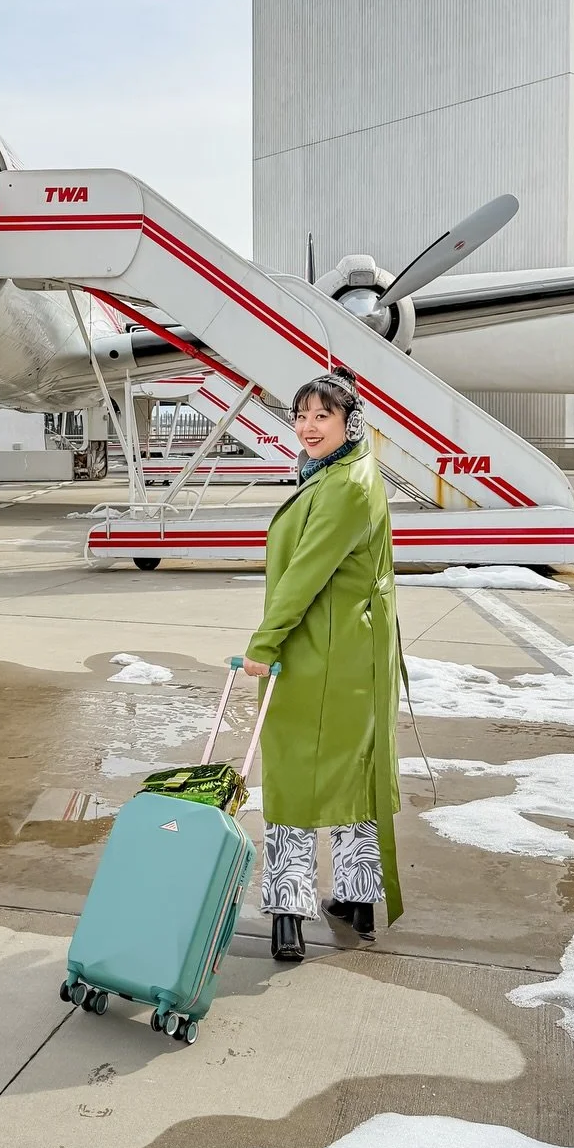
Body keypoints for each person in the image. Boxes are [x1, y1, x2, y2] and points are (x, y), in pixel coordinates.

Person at [241, 364, 401, 963]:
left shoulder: (343, 487)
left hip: (318, 651)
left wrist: (264, 643)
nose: (308, 427)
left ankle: (288, 914)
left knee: (293, 776)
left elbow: (305, 574)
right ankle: (357, 899)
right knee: (353, 768)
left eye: (322, 416)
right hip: (354, 649)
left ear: (348, 423)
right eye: (301, 415)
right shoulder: (351, 470)